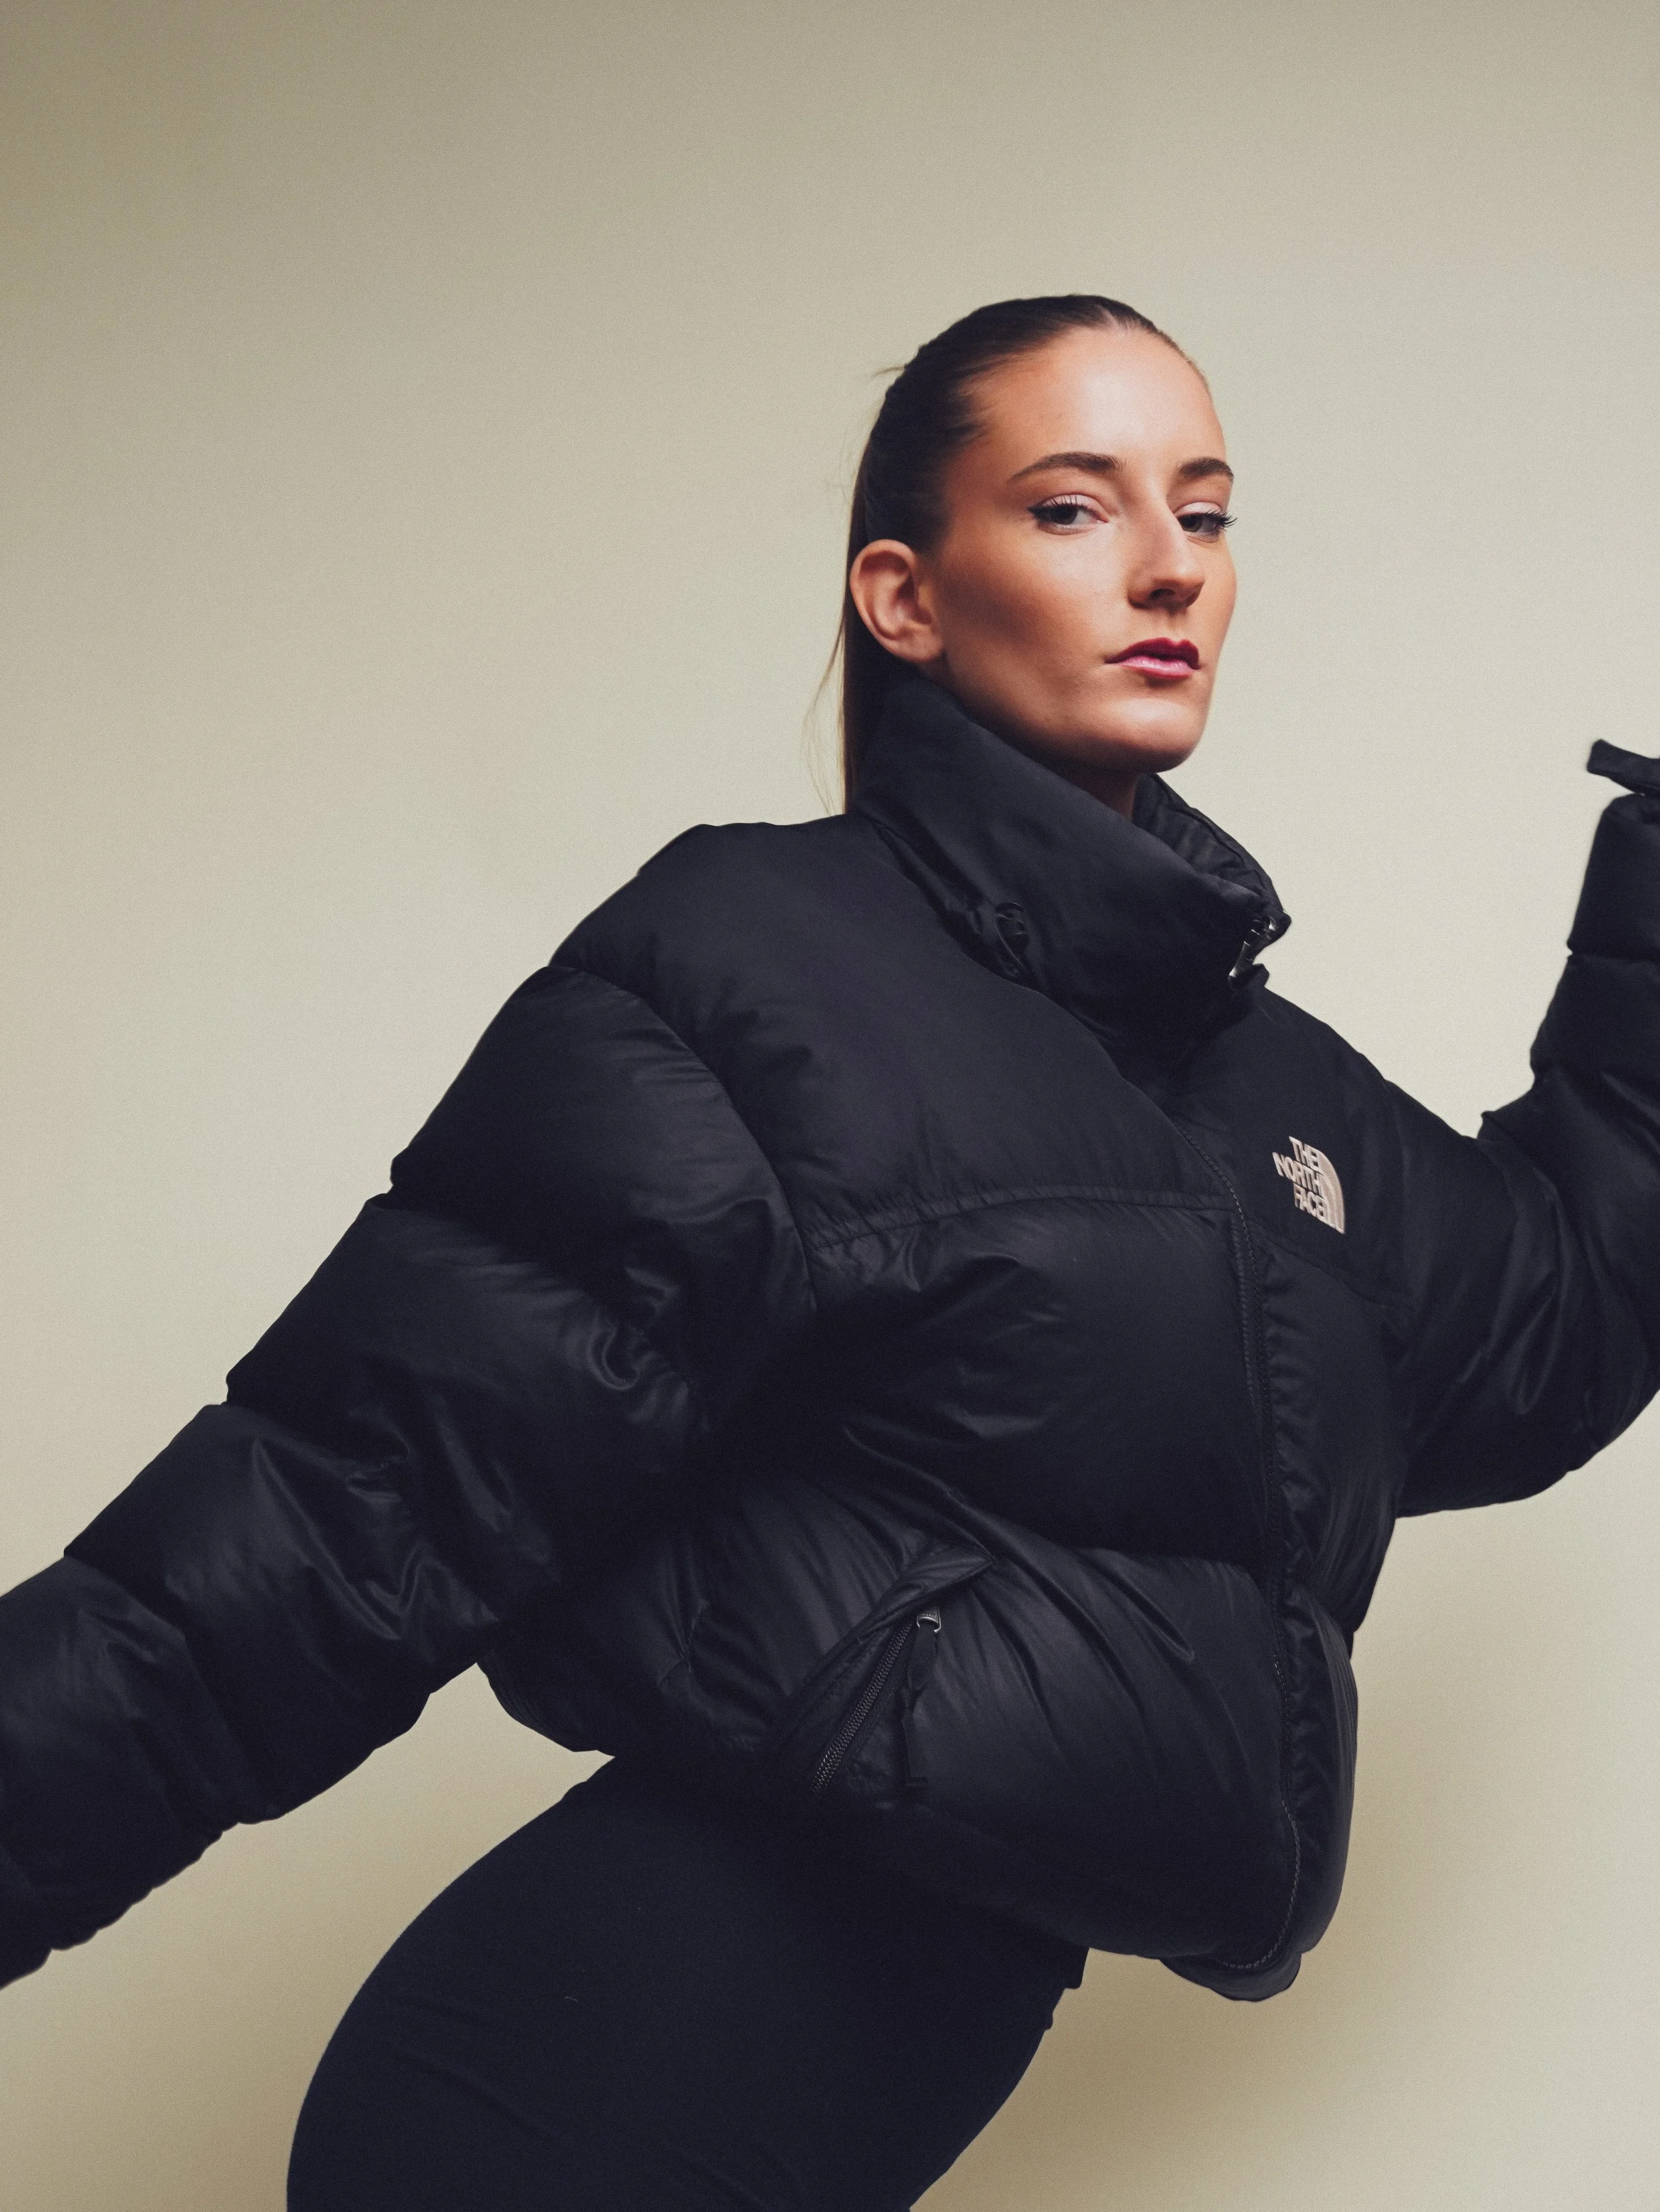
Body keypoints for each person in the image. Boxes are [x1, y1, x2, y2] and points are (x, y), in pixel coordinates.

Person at [2, 294, 1658, 2211]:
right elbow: (333, 1515)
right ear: (903, 593)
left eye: (1203, 514)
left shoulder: (1260, 1092)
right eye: (1068, 506)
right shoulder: (751, 968)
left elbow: (1552, 1311)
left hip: (833, 2090)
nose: (1163, 569)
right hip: (573, 2093)